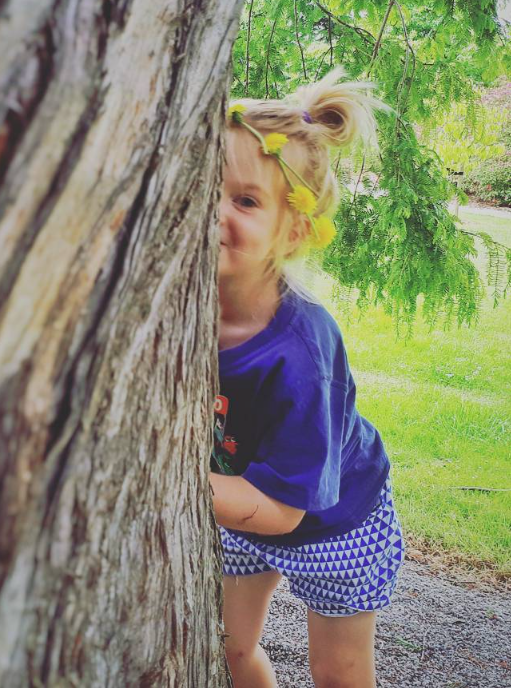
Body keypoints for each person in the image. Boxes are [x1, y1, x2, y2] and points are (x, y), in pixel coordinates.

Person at [209, 69, 404, 688]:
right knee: (226, 649)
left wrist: (168, 476)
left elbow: (286, 513)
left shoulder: (301, 352)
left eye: (245, 200)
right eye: (204, 188)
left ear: (292, 231)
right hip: (238, 497)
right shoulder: (182, 304)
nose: (215, 213)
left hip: (333, 520)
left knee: (337, 673)